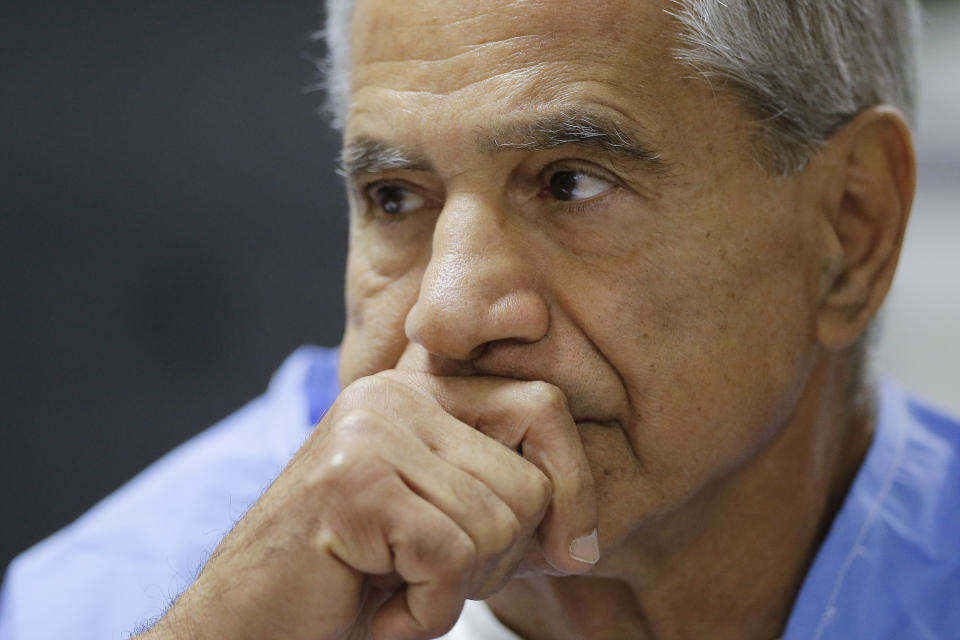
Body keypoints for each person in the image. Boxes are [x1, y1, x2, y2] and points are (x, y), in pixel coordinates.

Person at [2, 0, 958, 638]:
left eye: (569, 182)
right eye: (393, 196)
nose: (446, 315)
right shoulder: (114, 602)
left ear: (851, 228)